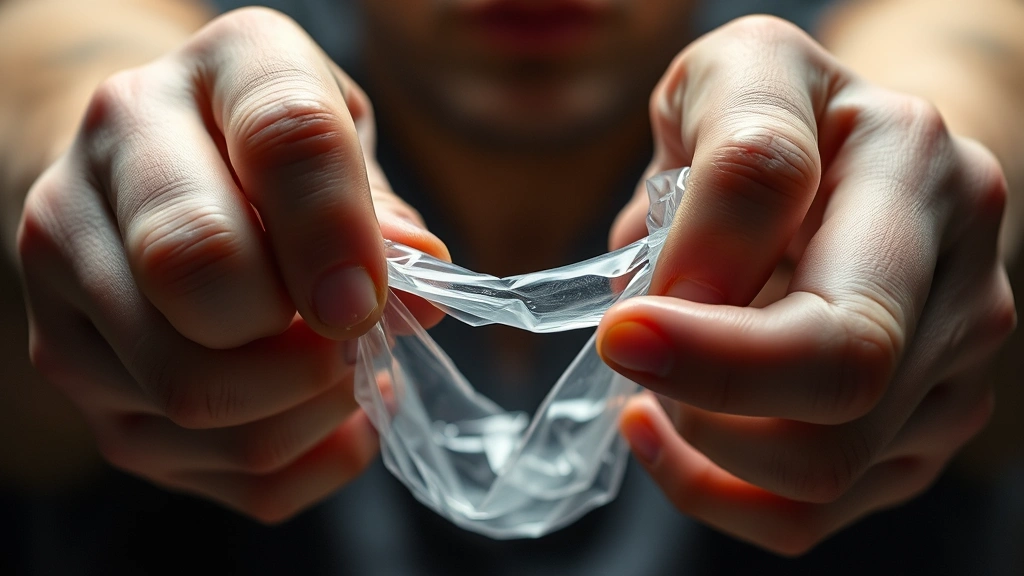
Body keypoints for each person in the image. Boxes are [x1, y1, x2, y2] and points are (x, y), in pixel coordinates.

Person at [0, 0, 1022, 573]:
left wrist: (911, 208)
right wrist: (108, 194)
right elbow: (69, 69)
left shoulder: (827, 51)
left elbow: (958, 74)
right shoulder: (234, 97)